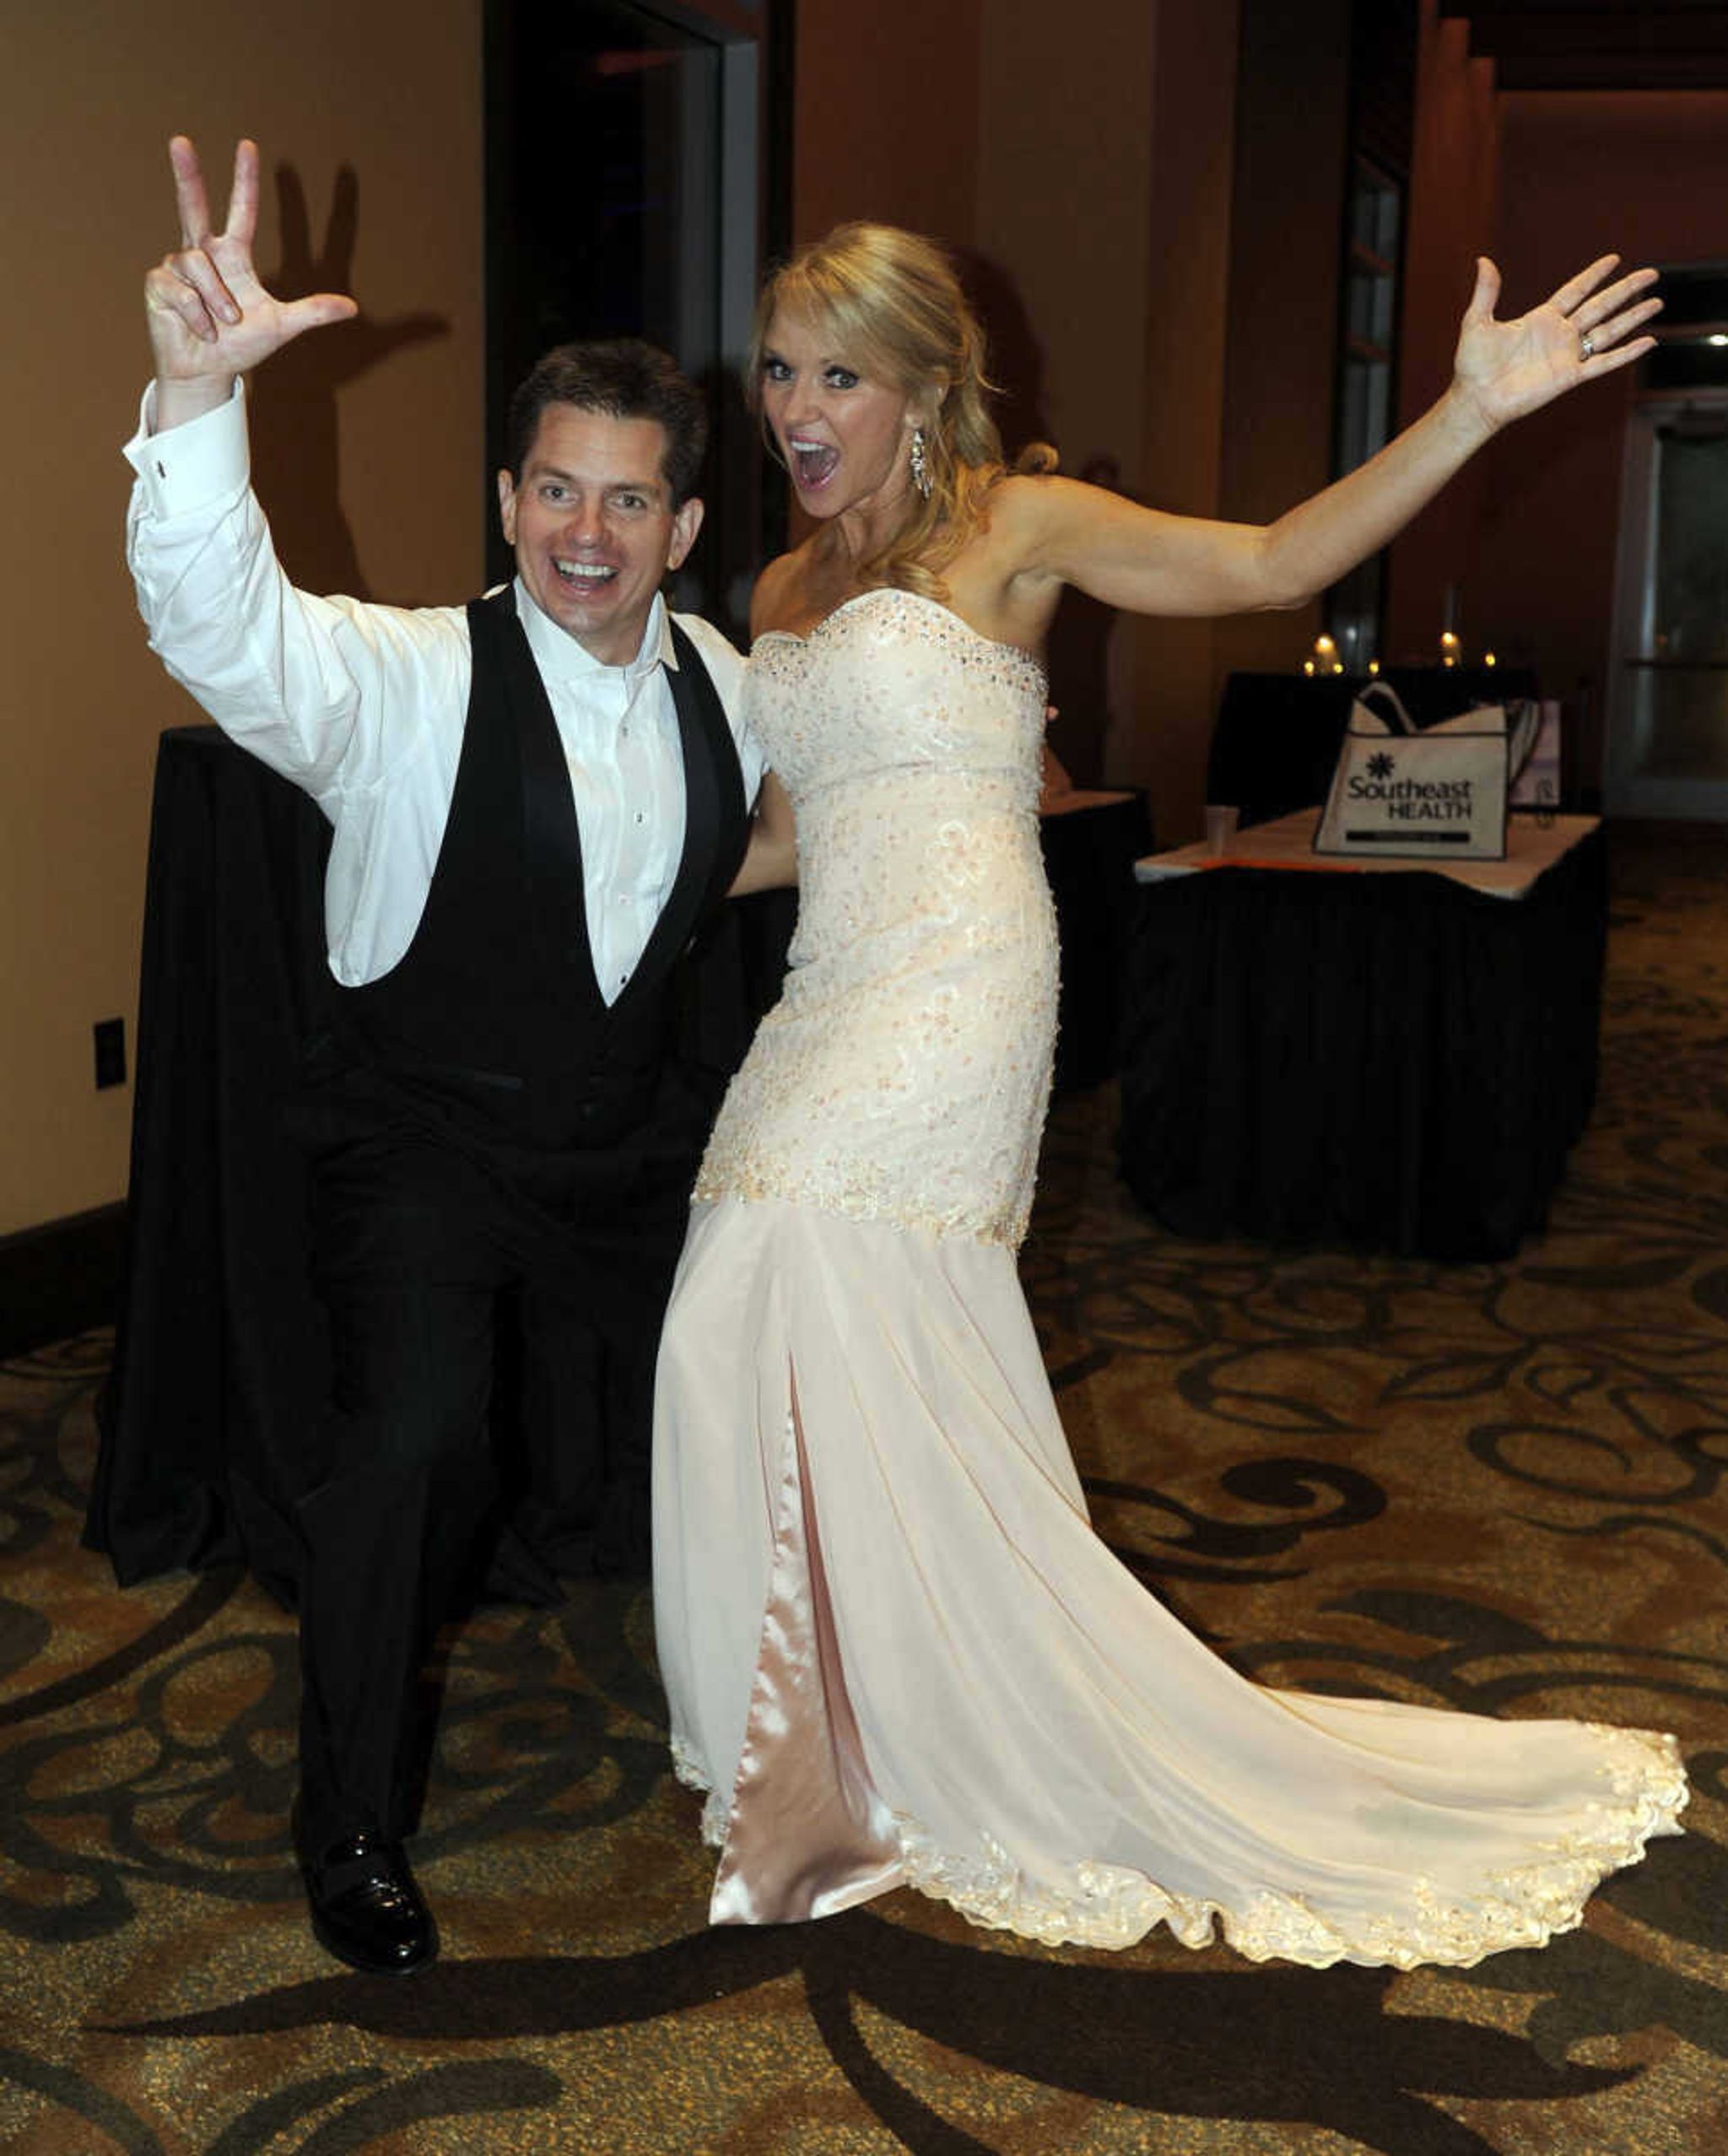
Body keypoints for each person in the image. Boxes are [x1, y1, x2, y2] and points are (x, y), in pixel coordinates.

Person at [651, 221, 1688, 1964]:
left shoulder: (1011, 525)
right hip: (826, 990)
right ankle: (844, 1741)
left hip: (959, 991)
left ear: (920, 384)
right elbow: (776, 842)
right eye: (777, 367)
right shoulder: (775, 593)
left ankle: (893, 1740)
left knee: (788, 1290)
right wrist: (598, 868)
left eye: (840, 370)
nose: (798, 406)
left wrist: (1469, 409)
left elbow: (1275, 561)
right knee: (747, 1336)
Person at [125, 137, 793, 1976]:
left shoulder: (728, 681)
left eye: (631, 502)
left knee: (793, 1376)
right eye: (557, 492)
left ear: (685, 527)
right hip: (424, 1142)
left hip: (636, 1138)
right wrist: (195, 393)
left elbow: (744, 848)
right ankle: (346, 1825)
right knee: (412, 1446)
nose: (590, 533)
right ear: (507, 499)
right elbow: (219, 625)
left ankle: (801, 1746)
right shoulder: (402, 678)